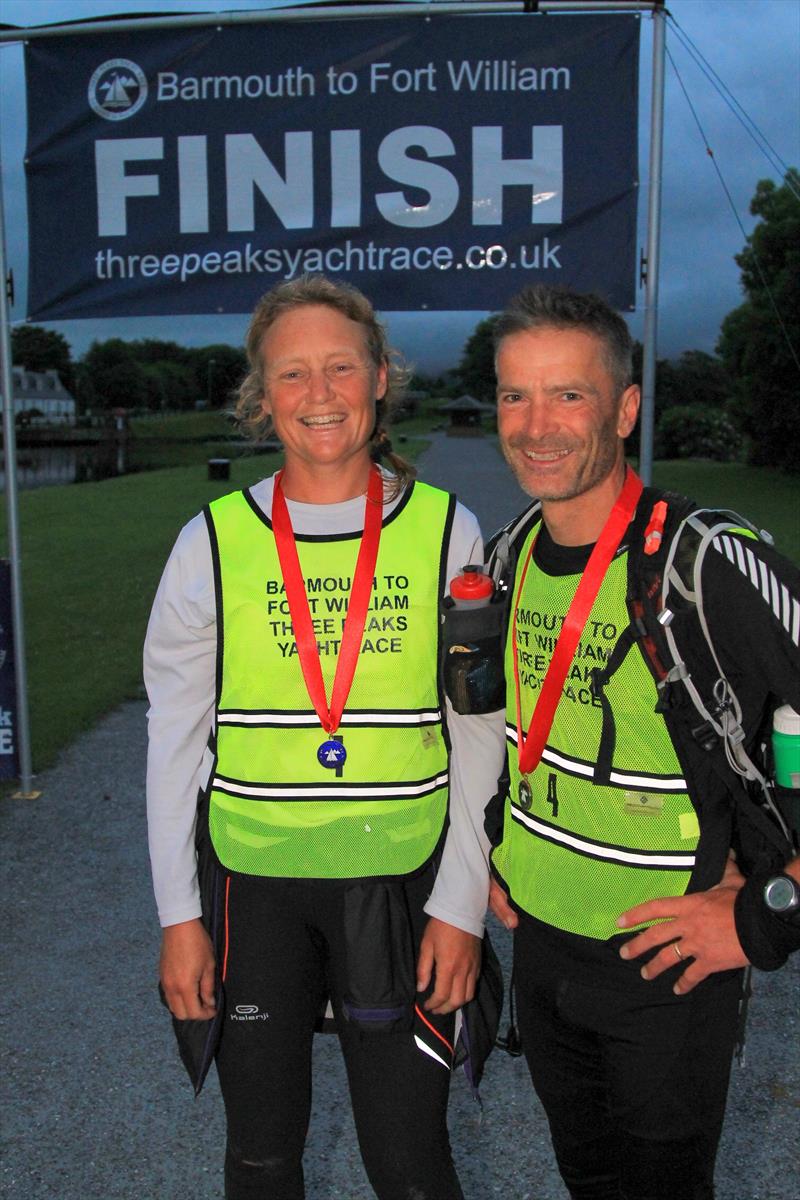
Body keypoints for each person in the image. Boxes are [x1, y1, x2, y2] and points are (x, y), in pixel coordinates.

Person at [144, 275, 498, 1200]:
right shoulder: (211, 541)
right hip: (251, 891)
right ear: (262, 398)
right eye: (293, 374)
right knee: (261, 1160)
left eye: (341, 366)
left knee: (410, 1162)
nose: (321, 394)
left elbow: (479, 734)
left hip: (399, 883)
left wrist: (460, 905)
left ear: (381, 377)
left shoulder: (446, 531)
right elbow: (174, 744)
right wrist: (180, 918)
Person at [480, 284, 800, 1200]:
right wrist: (501, 846)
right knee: (588, 1180)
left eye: (568, 395)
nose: (537, 425)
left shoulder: (703, 562)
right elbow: (512, 736)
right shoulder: (505, 559)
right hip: (542, 954)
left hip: (666, 966)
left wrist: (768, 911)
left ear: (624, 408)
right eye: (515, 395)